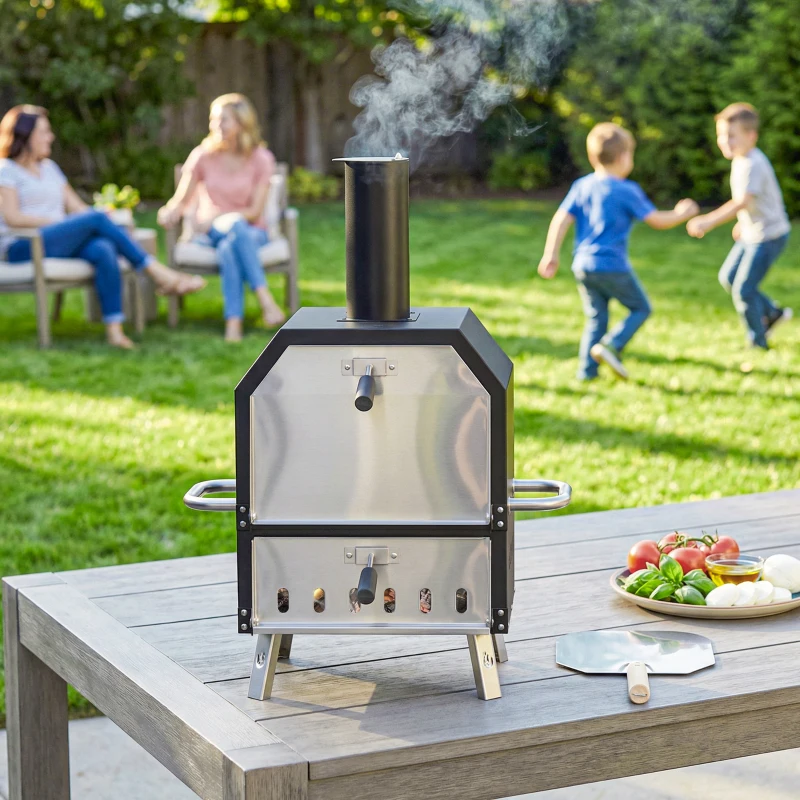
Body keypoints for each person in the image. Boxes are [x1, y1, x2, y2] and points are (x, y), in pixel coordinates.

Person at [0, 105, 205, 349]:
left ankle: (114, 331)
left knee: (103, 247)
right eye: (44, 131)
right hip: (23, 246)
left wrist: (108, 219)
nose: (51, 137)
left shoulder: (50, 169)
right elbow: (13, 218)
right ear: (26, 135)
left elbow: (78, 209)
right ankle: (158, 273)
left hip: (57, 241)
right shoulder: (6, 170)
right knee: (96, 220)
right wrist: (65, 223)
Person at [538, 122, 699, 381]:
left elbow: (561, 219)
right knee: (641, 308)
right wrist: (683, 214)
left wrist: (551, 254)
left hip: (583, 265)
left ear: (593, 157)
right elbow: (657, 220)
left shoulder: (582, 186)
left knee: (596, 318)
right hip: (611, 265)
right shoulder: (626, 190)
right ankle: (612, 345)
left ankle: (586, 372)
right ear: (624, 157)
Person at [158, 93, 286, 342]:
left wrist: (222, 216)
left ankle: (233, 324)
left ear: (242, 123)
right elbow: (181, 199)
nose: (216, 126)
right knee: (231, 232)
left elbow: (254, 212)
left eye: (223, 120)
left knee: (231, 244)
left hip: (251, 231)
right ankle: (265, 300)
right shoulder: (202, 155)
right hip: (211, 232)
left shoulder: (261, 159)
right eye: (213, 119)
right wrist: (169, 211)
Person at [687, 103, 791, 350]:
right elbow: (750, 203)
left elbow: (741, 202)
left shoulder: (753, 163)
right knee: (729, 277)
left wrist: (708, 220)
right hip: (752, 232)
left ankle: (758, 341)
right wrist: (742, 224)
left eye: (731, 136)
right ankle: (772, 312)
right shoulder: (741, 159)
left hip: (768, 236)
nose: (724, 141)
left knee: (744, 289)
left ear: (751, 136)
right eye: (721, 135)